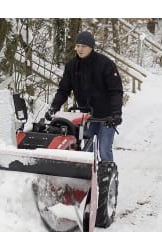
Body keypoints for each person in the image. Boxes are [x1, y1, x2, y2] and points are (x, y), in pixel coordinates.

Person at [45, 31, 123, 162]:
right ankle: (88, 179)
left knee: (104, 150)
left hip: (107, 116)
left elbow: (116, 91)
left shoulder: (105, 64)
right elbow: (63, 90)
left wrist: (116, 113)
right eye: (78, 46)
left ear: (91, 47)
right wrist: (54, 107)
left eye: (84, 46)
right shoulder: (72, 66)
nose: (80, 49)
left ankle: (107, 178)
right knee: (87, 153)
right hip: (86, 115)